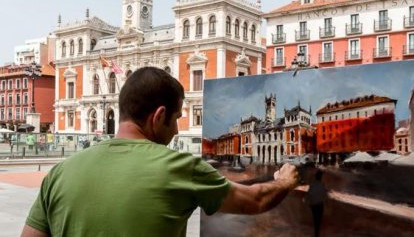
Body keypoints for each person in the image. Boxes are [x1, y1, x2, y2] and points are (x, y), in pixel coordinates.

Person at [21, 67, 299, 237]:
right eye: (177, 118)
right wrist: (286, 180)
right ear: (159, 116)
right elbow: (254, 201)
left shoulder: (59, 174)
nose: (177, 130)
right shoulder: (181, 168)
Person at [305, 169, 327, 237]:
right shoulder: (322, 185)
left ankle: (316, 233)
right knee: (318, 220)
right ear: (320, 177)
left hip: (313, 205)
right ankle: (317, 233)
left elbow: (309, 195)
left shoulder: (313, 185)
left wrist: (307, 201)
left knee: (315, 219)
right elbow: (324, 196)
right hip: (320, 205)